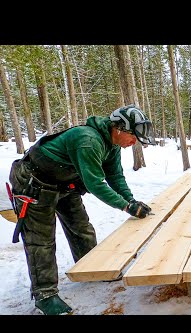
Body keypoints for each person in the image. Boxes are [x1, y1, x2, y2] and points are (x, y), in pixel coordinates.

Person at [8, 104, 156, 315]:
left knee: (81, 228)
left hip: (64, 185)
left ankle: (91, 269)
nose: (134, 143)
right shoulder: (88, 141)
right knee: (41, 241)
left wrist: (131, 200)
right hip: (34, 184)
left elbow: (115, 176)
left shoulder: (112, 143)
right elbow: (95, 183)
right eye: (133, 137)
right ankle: (45, 295)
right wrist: (125, 206)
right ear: (120, 129)